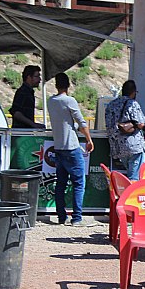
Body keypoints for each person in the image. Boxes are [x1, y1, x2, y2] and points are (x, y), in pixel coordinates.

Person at [46, 73, 94, 227]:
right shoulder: (69, 101)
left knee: (60, 183)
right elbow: (81, 122)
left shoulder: (51, 101)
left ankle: (61, 216)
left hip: (59, 147)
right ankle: (77, 217)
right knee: (79, 183)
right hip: (72, 147)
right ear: (68, 85)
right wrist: (89, 139)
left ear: (56, 85)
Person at [105, 80, 145, 181]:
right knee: (134, 178)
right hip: (134, 146)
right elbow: (141, 123)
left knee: (125, 178)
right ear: (133, 92)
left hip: (117, 147)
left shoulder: (111, 104)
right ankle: (130, 196)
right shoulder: (133, 104)